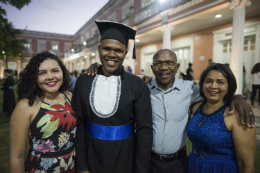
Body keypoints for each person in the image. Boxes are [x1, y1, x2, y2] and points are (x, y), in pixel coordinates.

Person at [86, 49, 255, 173]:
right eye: (159, 63)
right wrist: (98, 68)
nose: (164, 67)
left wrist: (237, 97)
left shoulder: (190, 90)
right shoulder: (143, 88)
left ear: (177, 66)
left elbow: (215, 92)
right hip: (147, 160)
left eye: (169, 63)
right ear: (152, 68)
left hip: (179, 163)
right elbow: (119, 79)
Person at [73, 20, 153, 173]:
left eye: (118, 50)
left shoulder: (137, 85)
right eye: (107, 49)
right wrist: (82, 166)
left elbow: (144, 131)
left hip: (125, 157)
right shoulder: (83, 81)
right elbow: (79, 125)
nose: (112, 54)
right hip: (91, 156)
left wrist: (140, 169)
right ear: (99, 49)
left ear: (126, 53)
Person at [9, 50, 77, 173]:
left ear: (62, 72)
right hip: (41, 168)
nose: (50, 76)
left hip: (71, 166)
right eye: (42, 73)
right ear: (34, 77)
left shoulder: (70, 97)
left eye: (55, 70)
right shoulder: (25, 106)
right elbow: (16, 157)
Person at [187, 63, 256, 173]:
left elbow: (246, 165)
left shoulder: (237, 114)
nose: (213, 86)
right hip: (194, 166)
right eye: (209, 81)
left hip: (221, 169)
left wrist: (238, 97)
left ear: (229, 87)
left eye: (220, 82)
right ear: (202, 84)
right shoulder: (196, 107)